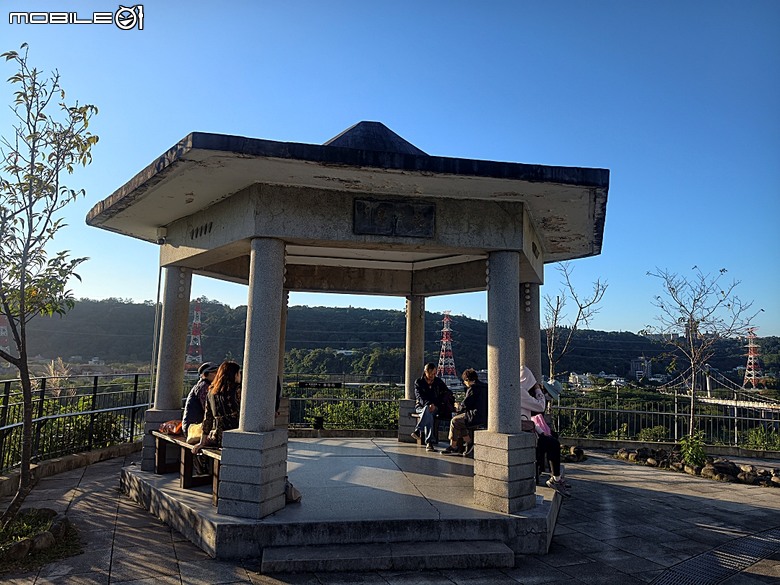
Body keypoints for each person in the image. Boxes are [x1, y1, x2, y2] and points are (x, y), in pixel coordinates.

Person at [520, 366, 569, 496]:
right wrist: (537, 390)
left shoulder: (519, 390)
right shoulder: (520, 392)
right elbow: (539, 407)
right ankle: (555, 478)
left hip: (529, 428)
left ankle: (555, 476)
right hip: (524, 430)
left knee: (552, 440)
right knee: (552, 443)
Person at [192, 361, 242, 453]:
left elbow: (207, 418)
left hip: (219, 437)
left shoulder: (211, 392)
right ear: (234, 375)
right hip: (236, 435)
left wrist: (202, 442)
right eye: (239, 373)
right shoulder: (238, 390)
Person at [441, 368, 488, 457]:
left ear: (467, 380)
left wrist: (457, 406)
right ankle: (469, 442)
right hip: (485, 416)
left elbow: (465, 405)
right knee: (460, 421)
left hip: (475, 416)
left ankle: (453, 446)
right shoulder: (485, 387)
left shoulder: (472, 389)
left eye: (464, 381)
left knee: (455, 421)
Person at [412, 363, 452, 452]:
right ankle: (429, 442)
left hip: (436, 407)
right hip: (421, 407)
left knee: (428, 412)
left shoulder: (438, 382)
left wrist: (436, 404)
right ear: (426, 372)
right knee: (427, 411)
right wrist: (429, 404)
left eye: (434, 373)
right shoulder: (419, 382)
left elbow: (447, 392)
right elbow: (419, 397)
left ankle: (418, 430)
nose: (433, 376)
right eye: (431, 373)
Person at [182, 362, 219, 438]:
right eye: (214, 372)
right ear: (205, 375)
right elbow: (208, 410)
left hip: (192, 427)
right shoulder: (204, 387)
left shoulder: (202, 385)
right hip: (193, 429)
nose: (217, 375)